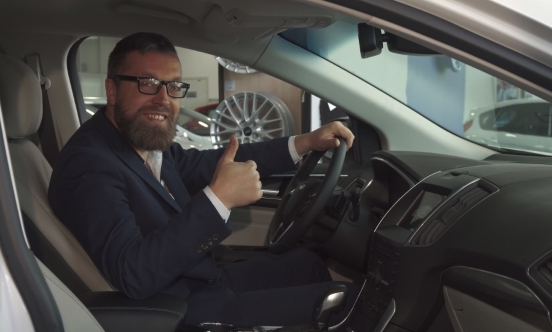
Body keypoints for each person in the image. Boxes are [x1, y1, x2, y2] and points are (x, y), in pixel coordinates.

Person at [48, 32, 356, 327]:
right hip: (177, 310)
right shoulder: (89, 164)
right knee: (350, 304)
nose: (163, 99)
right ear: (112, 90)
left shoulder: (141, 140)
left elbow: (210, 163)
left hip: (197, 281)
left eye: (172, 87)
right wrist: (219, 198)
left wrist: (304, 143)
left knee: (309, 264)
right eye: (148, 83)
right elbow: (133, 273)